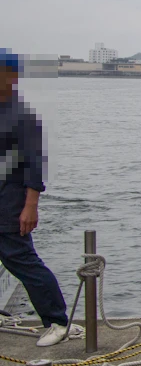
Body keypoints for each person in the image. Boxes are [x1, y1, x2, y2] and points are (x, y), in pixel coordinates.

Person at [0, 50, 81, 346]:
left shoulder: (22, 116)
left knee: (20, 259)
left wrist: (30, 206)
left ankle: (57, 321)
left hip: (10, 199)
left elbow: (35, 164)